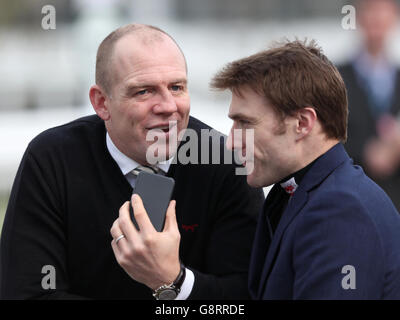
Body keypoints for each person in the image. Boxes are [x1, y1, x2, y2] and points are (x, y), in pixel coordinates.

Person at [0, 24, 264, 299]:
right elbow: (27, 293)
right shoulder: (52, 159)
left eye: (176, 87)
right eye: (144, 91)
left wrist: (173, 281)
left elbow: (244, 297)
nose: (168, 106)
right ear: (101, 102)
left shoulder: (225, 161)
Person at [211, 39, 400, 299]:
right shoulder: (302, 192)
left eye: (244, 123)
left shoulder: (339, 210)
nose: (231, 142)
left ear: (302, 123)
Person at [338, 0, 400, 210]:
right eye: (370, 9)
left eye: (383, 10)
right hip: (351, 204)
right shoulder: (334, 79)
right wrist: (365, 152)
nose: (377, 18)